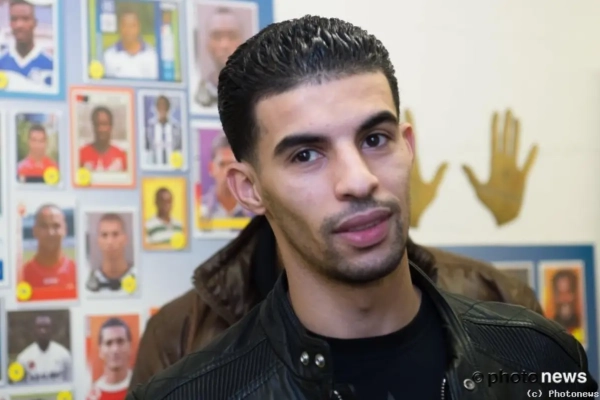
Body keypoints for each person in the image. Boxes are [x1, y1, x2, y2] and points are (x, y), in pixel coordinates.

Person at [128, 16, 595, 399]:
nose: (358, 179)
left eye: (374, 139)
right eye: (305, 155)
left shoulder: (542, 357)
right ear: (249, 189)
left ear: (407, 147)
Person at [22, 204, 76, 300]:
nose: (50, 232)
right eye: (44, 226)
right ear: (34, 231)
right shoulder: (22, 275)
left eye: (56, 226)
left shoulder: (77, 273)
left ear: (65, 230)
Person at [194, 7, 244, 108]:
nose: (224, 45)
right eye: (217, 36)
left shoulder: (255, 94)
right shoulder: (197, 93)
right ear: (208, 44)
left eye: (232, 36)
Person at [0, 0, 53, 87]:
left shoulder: (51, 64)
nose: (19, 25)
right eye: (14, 19)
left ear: (34, 23)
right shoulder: (1, 61)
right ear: (10, 23)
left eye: (25, 19)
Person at [199, 132, 252, 219]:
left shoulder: (256, 211)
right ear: (211, 168)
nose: (227, 172)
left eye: (232, 164)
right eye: (222, 164)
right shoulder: (198, 210)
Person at [103, 7, 158, 80]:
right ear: (120, 27)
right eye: (125, 25)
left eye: (132, 26)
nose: (128, 30)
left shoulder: (152, 55)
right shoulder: (109, 56)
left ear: (138, 27)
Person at [15, 314, 71, 384]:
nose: (43, 331)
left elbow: (70, 382)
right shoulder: (24, 357)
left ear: (52, 330)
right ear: (34, 330)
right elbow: (19, 386)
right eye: (39, 327)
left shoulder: (64, 355)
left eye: (46, 327)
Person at [86, 213, 135, 293]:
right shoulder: (88, 284)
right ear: (98, 241)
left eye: (115, 234)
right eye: (104, 235)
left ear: (125, 239)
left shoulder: (140, 277)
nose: (110, 242)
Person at [87, 318, 133, 400]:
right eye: (108, 343)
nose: (115, 349)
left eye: (120, 341)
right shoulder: (93, 397)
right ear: (100, 350)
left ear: (129, 346)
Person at [80, 106, 128, 172]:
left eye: (104, 124)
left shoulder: (121, 156)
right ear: (93, 126)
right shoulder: (81, 154)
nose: (100, 129)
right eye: (97, 124)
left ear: (110, 126)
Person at [144, 95, 182, 167]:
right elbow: (147, 152)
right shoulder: (149, 130)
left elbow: (180, 150)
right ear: (156, 108)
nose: (163, 108)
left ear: (169, 108)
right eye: (160, 106)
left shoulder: (177, 130)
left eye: (165, 106)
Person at [551, 269, 582, 335]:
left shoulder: (581, 322)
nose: (564, 299)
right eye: (560, 294)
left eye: (568, 292)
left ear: (574, 294)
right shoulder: (551, 324)